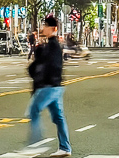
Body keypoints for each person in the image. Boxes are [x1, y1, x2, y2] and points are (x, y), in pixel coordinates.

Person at [19, 16, 70, 157]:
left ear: (53, 28)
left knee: (34, 111)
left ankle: (36, 144)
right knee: (58, 117)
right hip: (56, 86)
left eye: (46, 26)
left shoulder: (53, 46)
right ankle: (65, 148)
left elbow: (49, 66)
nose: (43, 28)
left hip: (48, 86)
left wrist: (40, 82)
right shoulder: (51, 45)